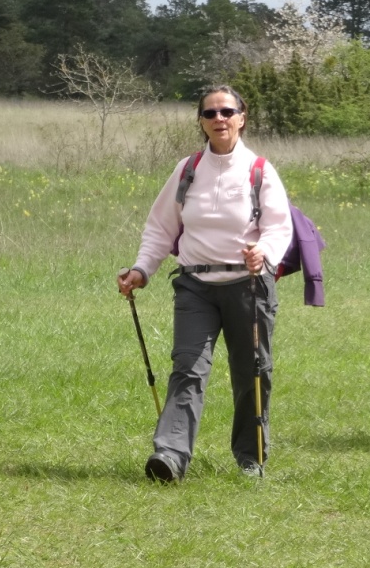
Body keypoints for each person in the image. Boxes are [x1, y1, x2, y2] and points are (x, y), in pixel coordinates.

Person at [117, 85, 293, 481]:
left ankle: (251, 458)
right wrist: (142, 270)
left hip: (248, 286)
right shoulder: (188, 169)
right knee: (188, 368)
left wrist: (263, 251)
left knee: (252, 371)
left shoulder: (259, 170)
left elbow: (280, 228)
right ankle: (171, 456)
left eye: (227, 112)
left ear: (242, 117)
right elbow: (161, 229)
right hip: (195, 286)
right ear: (201, 121)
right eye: (210, 113)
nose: (219, 119)